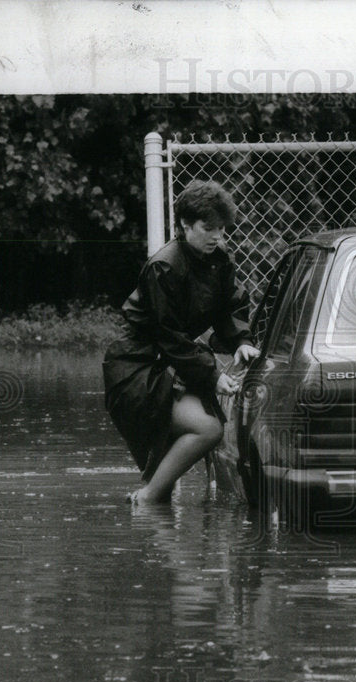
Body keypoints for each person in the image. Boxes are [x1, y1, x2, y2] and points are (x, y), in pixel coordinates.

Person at [103, 180, 260, 504]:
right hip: (137, 366)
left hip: (171, 360)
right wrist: (213, 375)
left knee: (201, 432)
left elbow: (230, 306)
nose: (217, 236)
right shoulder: (164, 265)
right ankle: (147, 499)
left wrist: (241, 341)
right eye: (208, 228)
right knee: (208, 429)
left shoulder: (220, 257)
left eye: (222, 228)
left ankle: (154, 508)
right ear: (185, 225)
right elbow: (169, 335)